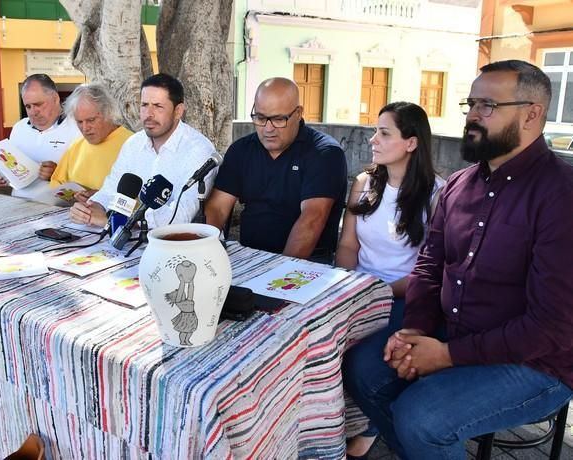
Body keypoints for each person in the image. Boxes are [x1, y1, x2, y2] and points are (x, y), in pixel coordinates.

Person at [342, 59, 573, 459]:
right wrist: (414, 329)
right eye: (471, 104)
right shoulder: (460, 186)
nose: (472, 116)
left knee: (422, 418)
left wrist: (445, 355)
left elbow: (552, 326)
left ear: (533, 114)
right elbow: (430, 269)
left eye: (488, 106)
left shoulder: (560, 194)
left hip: (540, 361)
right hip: (454, 330)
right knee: (360, 368)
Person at [335, 102, 445, 459]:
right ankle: (341, 424)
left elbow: (431, 272)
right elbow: (348, 245)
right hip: (358, 291)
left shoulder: (438, 194)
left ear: (411, 142)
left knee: (363, 362)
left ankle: (373, 427)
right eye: (374, 131)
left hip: (405, 298)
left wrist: (376, 292)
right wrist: (347, 287)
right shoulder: (364, 183)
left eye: (384, 133)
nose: (373, 140)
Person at [205, 77, 346, 263]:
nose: (268, 128)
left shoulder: (324, 153)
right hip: (249, 255)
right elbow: (217, 208)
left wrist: (278, 271)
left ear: (298, 113)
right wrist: (207, 251)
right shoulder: (241, 150)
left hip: (309, 263)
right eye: (261, 118)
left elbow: (312, 219)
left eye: (279, 119)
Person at [70, 73, 216, 228]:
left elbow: (181, 216)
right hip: (133, 240)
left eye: (158, 106)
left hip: (181, 244)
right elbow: (110, 190)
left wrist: (125, 223)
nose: (149, 114)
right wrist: (92, 209)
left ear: (178, 111)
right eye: (144, 105)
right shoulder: (134, 144)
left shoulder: (199, 150)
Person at [0, 73, 80, 199]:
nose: (33, 112)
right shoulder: (19, 128)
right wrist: (1, 175)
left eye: (38, 104)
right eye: (28, 106)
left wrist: (58, 174)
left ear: (55, 98)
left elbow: (88, 177)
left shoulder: (77, 128)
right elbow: (13, 169)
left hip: (59, 209)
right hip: (19, 203)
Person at [49, 83, 133, 202]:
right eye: (79, 121)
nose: (85, 128)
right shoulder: (76, 146)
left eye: (91, 120)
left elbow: (142, 199)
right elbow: (56, 184)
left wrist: (103, 198)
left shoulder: (133, 144)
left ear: (108, 113)